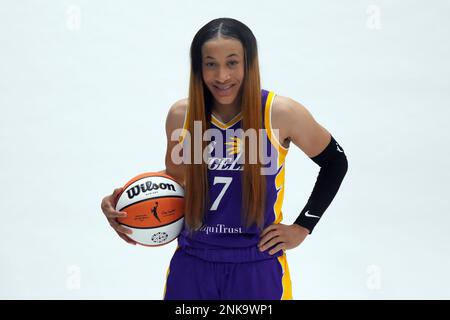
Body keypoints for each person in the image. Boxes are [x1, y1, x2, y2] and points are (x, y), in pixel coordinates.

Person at [100, 17, 348, 300]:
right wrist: (125, 202)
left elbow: (335, 163)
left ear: (249, 64)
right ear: (198, 67)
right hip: (193, 262)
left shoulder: (280, 113)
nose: (221, 76)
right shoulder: (182, 115)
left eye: (232, 62)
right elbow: (178, 181)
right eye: (210, 64)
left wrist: (303, 226)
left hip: (257, 263)